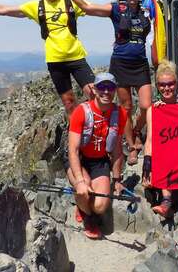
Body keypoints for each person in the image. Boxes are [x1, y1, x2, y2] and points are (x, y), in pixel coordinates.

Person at [59, 0, 152, 165]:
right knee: (126, 107)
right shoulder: (117, 9)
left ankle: (136, 131)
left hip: (140, 63)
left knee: (145, 106)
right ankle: (132, 146)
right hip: (120, 63)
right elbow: (87, 6)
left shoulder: (147, 10)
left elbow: (161, 26)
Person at [142, 59, 178, 257]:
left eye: (171, 83)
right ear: (157, 85)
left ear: (177, 83)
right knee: (160, 153)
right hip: (166, 158)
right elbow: (150, 140)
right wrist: (146, 164)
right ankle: (166, 200)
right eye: (162, 85)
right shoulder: (154, 109)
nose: (167, 88)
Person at [67, 72, 127, 239]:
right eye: (102, 87)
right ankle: (88, 217)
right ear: (94, 89)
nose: (106, 92)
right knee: (83, 190)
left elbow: (116, 149)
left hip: (99, 162)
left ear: (115, 90)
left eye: (110, 88)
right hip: (79, 160)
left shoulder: (119, 114)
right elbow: (73, 150)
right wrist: (79, 181)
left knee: (100, 205)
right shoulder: (81, 111)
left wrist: (117, 180)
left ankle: (86, 206)